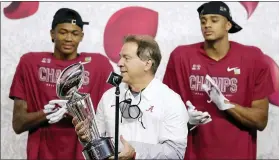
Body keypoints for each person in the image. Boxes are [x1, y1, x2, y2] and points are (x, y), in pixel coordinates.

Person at [163, 1, 275, 160]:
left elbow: (261, 120)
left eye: (214, 20)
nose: (207, 25)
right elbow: (163, 115)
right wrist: (185, 121)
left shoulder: (253, 58)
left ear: (228, 25)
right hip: (193, 155)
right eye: (203, 21)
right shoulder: (181, 57)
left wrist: (226, 105)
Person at [9, 8, 113, 159]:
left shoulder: (99, 64)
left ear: (82, 36)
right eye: (63, 32)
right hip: (43, 153)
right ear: (52, 34)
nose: (69, 38)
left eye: (75, 33)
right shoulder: (30, 63)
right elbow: (18, 124)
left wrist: (76, 111)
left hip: (82, 152)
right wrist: (52, 112)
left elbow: (112, 116)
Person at [73, 35, 189, 159]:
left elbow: (175, 153)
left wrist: (135, 154)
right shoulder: (109, 96)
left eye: (126, 58)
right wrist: (86, 137)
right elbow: (98, 144)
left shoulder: (171, 101)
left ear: (147, 64)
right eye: (120, 57)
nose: (119, 63)